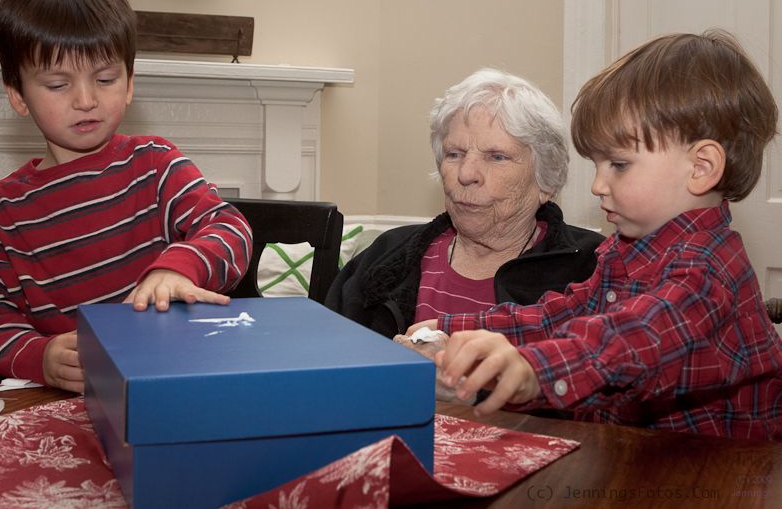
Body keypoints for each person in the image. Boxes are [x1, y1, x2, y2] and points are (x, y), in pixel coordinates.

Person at [419, 30, 782, 440]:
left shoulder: (709, 273)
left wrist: (531, 371)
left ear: (701, 167)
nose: (597, 185)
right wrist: (452, 329)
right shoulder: (626, 248)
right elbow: (565, 313)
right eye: (596, 164)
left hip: (718, 482)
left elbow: (627, 343)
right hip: (630, 459)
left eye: (619, 165)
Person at [0, 0, 252, 393]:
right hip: (71, 400)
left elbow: (231, 228)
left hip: (176, 379)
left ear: (130, 84)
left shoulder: (157, 164)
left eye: (105, 79)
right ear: (17, 95)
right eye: (58, 84)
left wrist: (177, 268)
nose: (86, 99)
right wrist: (41, 357)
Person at [326, 68, 604, 342]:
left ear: (547, 180)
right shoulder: (386, 258)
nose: (466, 174)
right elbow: (325, 358)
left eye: (497, 157)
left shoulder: (590, 269)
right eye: (454, 154)